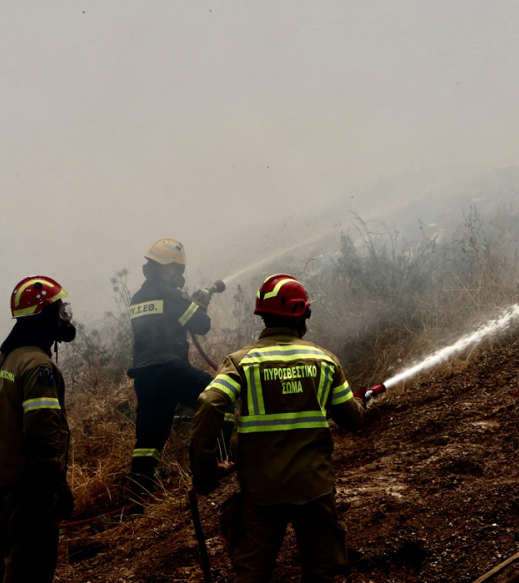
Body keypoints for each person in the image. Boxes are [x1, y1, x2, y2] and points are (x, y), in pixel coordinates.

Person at [191, 274, 366, 583]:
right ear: (303, 314)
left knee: (253, 575)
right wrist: (360, 402)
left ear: (263, 316)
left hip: (262, 492)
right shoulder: (324, 361)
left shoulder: (241, 362)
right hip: (315, 488)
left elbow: (209, 403)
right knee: (322, 572)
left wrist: (204, 472)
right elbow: (353, 419)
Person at [0, 276, 76, 583]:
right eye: (58, 310)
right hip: (31, 486)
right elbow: (42, 430)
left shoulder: (5, 358)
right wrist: (57, 483)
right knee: (30, 565)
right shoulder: (38, 367)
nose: (64, 318)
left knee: (3, 562)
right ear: (43, 315)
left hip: (4, 481)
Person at [126, 238, 215, 500]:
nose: (178, 276)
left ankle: (138, 498)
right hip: (170, 369)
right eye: (176, 271)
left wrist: (187, 302)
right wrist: (198, 303)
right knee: (218, 397)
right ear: (168, 269)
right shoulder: (171, 294)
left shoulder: (138, 297)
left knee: (149, 439)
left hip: (144, 375)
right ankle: (217, 463)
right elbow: (201, 325)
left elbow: (159, 322)